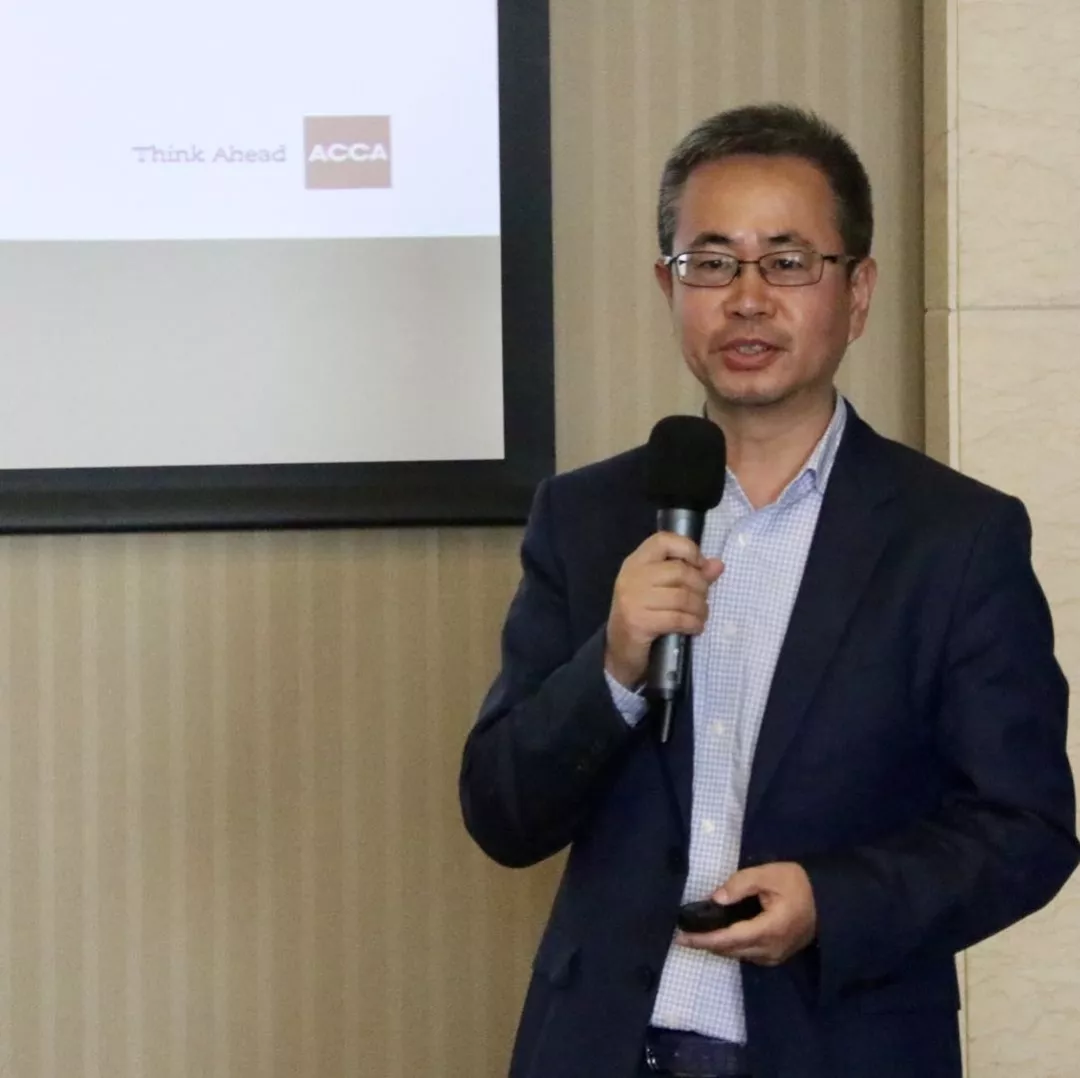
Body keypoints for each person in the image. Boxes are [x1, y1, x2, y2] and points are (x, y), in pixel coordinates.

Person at [458, 103, 1079, 1078]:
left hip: (841, 1046)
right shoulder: (584, 517)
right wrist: (611, 667)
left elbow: (1025, 827)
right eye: (711, 263)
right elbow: (502, 813)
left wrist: (834, 901)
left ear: (858, 291)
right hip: (603, 1048)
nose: (747, 299)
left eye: (787, 262)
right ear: (669, 286)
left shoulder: (955, 538)